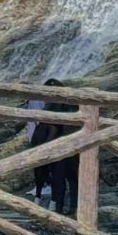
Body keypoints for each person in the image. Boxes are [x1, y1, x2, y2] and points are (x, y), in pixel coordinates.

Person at [32, 79, 80, 215]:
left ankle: (59, 206)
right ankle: (73, 206)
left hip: (60, 144)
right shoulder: (71, 103)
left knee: (59, 177)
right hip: (73, 142)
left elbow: (53, 127)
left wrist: (46, 146)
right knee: (72, 177)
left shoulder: (54, 105)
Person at [23, 95, 48, 202]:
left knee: (41, 165)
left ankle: (44, 186)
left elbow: (38, 118)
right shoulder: (31, 100)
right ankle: (41, 187)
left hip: (38, 136)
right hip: (36, 135)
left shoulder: (35, 100)